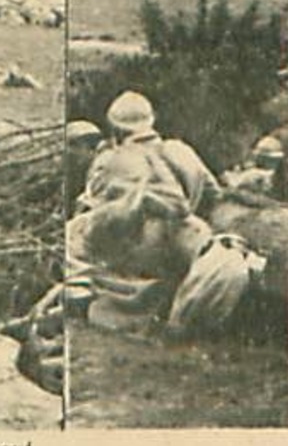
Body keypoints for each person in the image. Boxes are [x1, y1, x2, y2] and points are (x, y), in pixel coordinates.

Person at [70, 92, 260, 336]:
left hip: (141, 249)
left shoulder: (113, 159)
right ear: (151, 121)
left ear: (115, 128)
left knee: (75, 231)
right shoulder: (181, 150)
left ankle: (80, 295)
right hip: (184, 241)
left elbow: (98, 212)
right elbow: (214, 194)